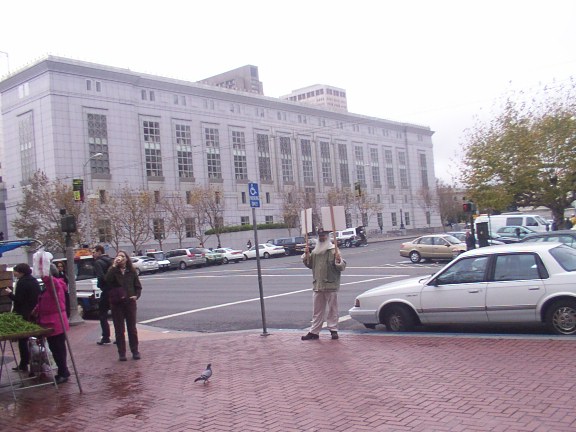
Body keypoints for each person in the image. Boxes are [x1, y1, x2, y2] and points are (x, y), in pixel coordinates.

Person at [301, 228, 346, 341]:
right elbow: (310, 265)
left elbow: (341, 267)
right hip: (318, 285)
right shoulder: (315, 252)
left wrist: (338, 260)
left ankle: (333, 330)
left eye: (324, 236)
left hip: (330, 285)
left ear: (328, 237)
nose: (322, 238)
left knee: (332, 309)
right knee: (317, 311)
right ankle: (314, 332)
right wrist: (306, 255)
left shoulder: (333, 250)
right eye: (320, 236)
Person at [33, 265, 71, 384]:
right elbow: (43, 301)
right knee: (56, 348)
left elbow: (51, 283)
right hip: (49, 322)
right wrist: (35, 311)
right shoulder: (48, 288)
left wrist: (43, 270)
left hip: (56, 322)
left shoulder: (56, 285)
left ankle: (63, 372)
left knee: (58, 349)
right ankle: (63, 370)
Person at [105, 250, 143, 361]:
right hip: (117, 304)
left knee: (132, 328)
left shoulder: (131, 271)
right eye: (118, 256)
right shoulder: (113, 270)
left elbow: (138, 286)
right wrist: (113, 266)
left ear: (126, 259)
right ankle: (122, 353)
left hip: (130, 303)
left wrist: (136, 296)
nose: (120, 258)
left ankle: (135, 351)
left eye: (122, 256)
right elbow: (107, 280)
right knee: (119, 329)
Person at [6, 263, 41, 373]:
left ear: (21, 272)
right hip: (34, 313)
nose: (14, 273)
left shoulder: (22, 283)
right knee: (35, 339)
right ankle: (37, 362)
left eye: (15, 271)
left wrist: (10, 293)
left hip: (23, 314)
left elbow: (19, 300)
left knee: (23, 340)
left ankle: (24, 363)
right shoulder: (34, 281)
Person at [93, 245, 114, 345]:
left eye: (94, 252)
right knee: (116, 314)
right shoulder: (110, 260)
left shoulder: (98, 262)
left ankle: (106, 336)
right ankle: (119, 337)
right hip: (115, 290)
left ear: (99, 252)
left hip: (106, 291)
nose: (93, 254)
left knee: (102, 315)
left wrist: (101, 285)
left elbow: (100, 277)